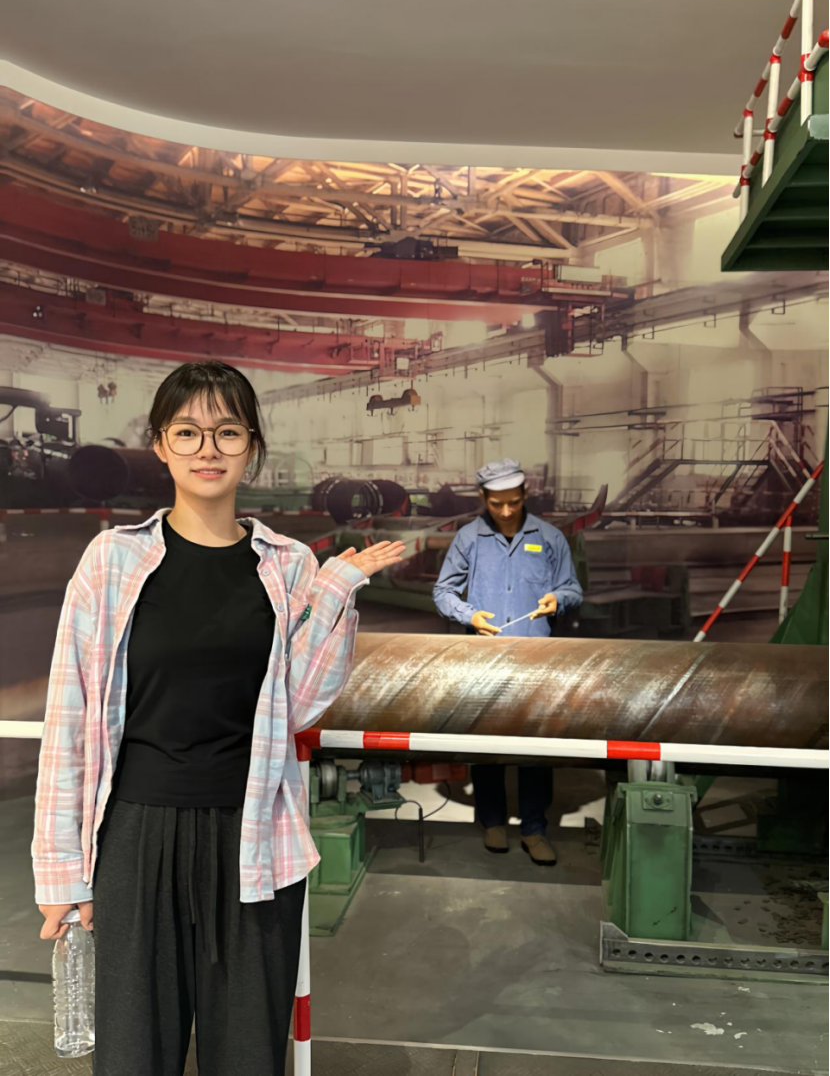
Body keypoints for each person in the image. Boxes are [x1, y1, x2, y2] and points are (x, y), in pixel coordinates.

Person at [32, 361, 405, 1076]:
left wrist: (334, 590)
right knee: (133, 1055)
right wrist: (61, 874)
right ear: (160, 445)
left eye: (228, 432)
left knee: (247, 1056)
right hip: (136, 839)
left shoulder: (287, 566)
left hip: (256, 838)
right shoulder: (112, 561)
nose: (209, 449)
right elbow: (69, 719)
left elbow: (300, 704)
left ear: (252, 446)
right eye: (188, 432)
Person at [433, 458, 582, 865]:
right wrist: (469, 616)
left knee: (535, 748)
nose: (505, 511)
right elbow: (443, 592)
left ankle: (534, 828)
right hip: (485, 661)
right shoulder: (469, 539)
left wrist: (558, 599)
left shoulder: (549, 538)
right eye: (496, 503)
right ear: (483, 497)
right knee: (487, 744)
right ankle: (493, 822)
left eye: (513, 502)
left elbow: (572, 589)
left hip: (536, 663)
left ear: (525, 495)